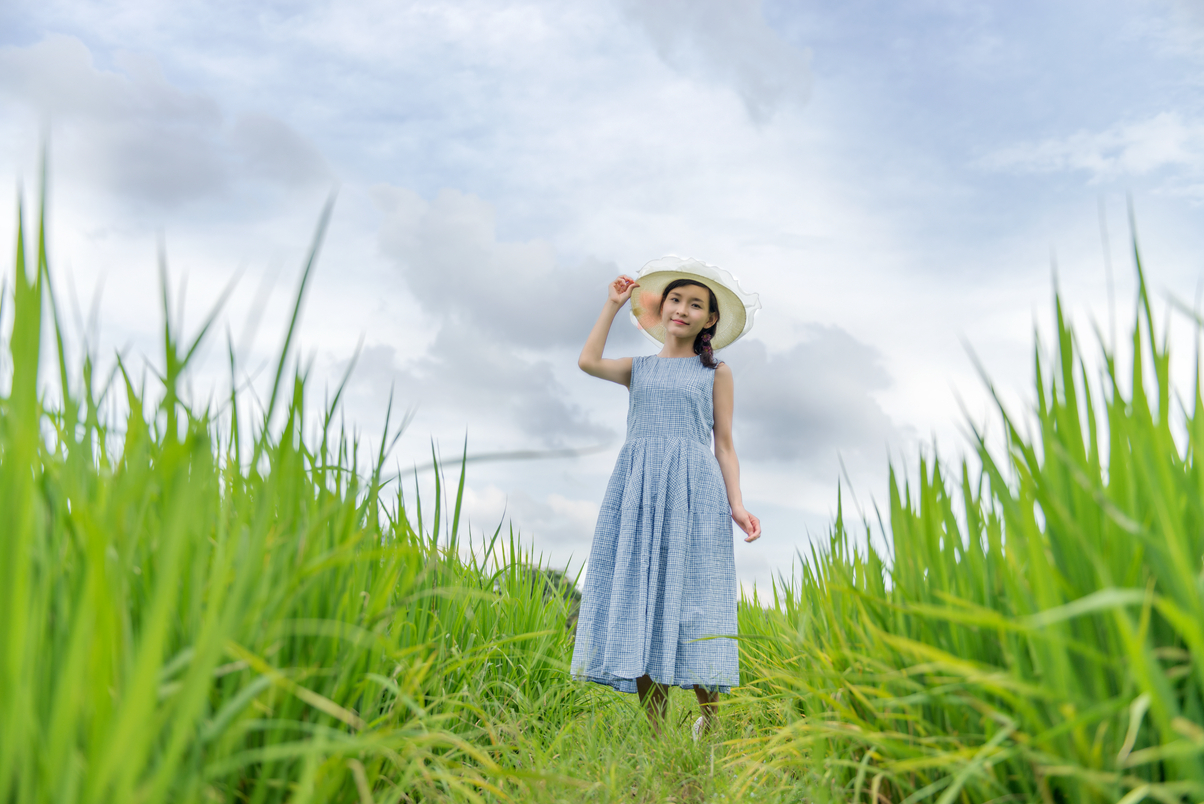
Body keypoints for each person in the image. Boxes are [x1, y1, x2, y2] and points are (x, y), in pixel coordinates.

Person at [570, 256, 762, 740]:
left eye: (695, 304)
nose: (682, 309)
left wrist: (736, 504)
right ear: (661, 309)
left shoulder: (716, 372)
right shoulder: (638, 369)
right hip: (637, 492)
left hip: (695, 493)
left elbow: (724, 445)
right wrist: (612, 305)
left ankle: (711, 722)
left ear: (710, 319)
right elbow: (588, 361)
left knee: (698, 602)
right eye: (675, 299)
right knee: (642, 601)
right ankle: (657, 738)